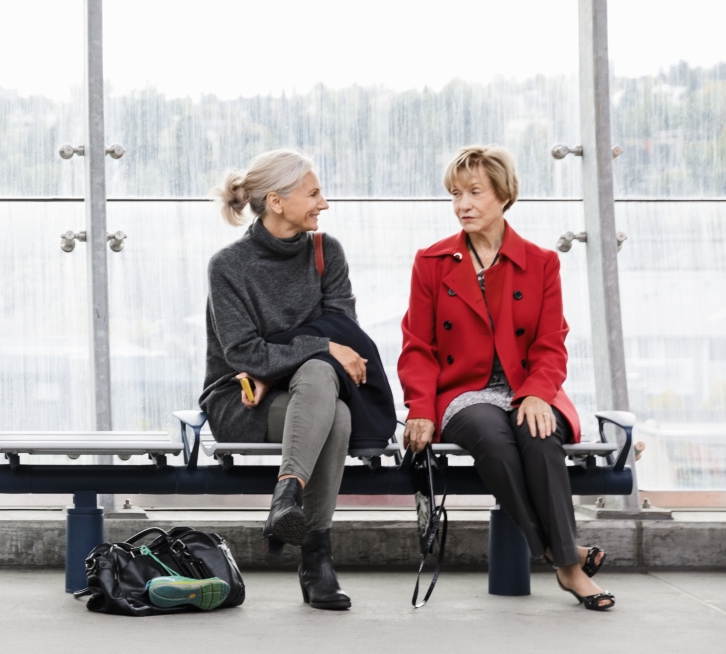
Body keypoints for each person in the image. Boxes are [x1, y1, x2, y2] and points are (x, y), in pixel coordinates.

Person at [399, 146, 612, 610]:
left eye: (475, 192)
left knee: (538, 436)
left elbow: (551, 343)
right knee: (492, 439)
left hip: (526, 387)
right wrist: (419, 408)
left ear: (504, 194)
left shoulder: (540, 263)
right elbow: (418, 346)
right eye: (456, 194)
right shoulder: (432, 262)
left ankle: (560, 555)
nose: (463, 205)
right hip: (462, 392)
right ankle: (567, 561)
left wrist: (537, 392)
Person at [198, 148, 370, 610]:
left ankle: (287, 496)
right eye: (314, 193)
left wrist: (307, 352)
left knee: (325, 392)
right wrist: (319, 345)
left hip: (311, 391)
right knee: (329, 401)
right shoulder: (228, 266)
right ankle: (316, 557)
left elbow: (343, 334)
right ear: (276, 201)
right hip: (242, 402)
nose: (324, 203)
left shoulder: (326, 253)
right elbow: (242, 353)